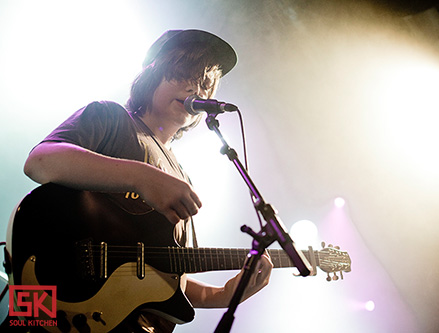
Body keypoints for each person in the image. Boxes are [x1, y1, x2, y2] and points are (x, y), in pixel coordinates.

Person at [23, 29, 273, 332]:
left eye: (205, 84)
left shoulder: (182, 176)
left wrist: (225, 295)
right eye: (181, 74)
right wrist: (140, 176)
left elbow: (159, 270)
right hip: (49, 301)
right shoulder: (111, 117)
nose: (195, 87)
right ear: (151, 76)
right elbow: (39, 161)